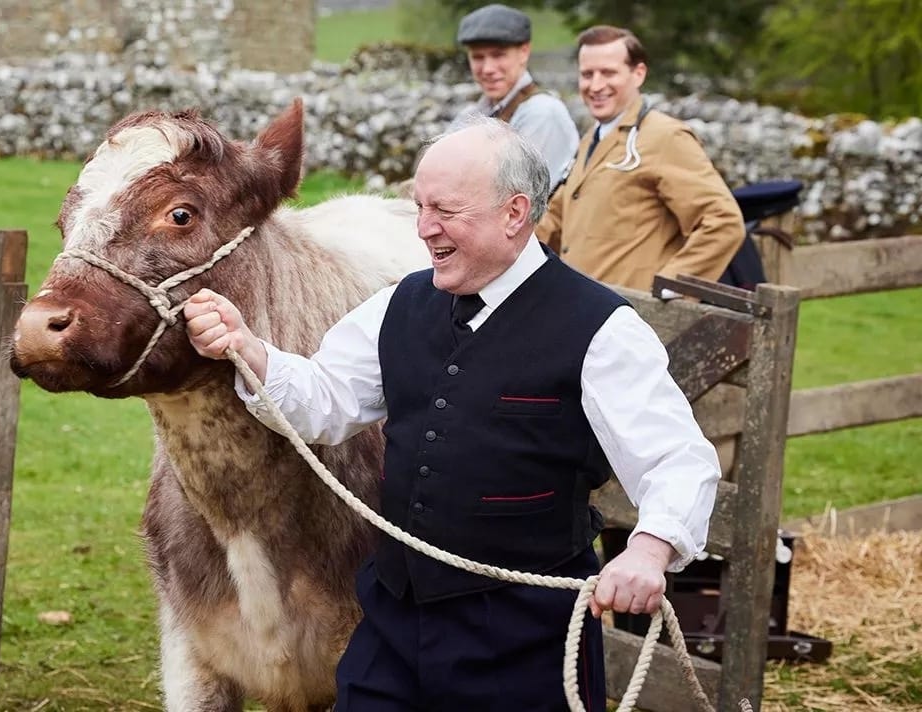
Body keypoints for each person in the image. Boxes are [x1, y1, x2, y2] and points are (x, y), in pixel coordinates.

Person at [184, 116, 720, 711]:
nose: (423, 228)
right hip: (393, 620)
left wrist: (649, 550)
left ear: (514, 213)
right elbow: (324, 400)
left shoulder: (602, 329)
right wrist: (250, 350)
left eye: (444, 210)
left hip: (526, 637)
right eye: (420, 206)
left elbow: (677, 458)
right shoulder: (401, 303)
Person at [538, 25, 745, 293]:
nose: (595, 85)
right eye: (587, 74)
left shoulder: (665, 137)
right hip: (580, 307)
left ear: (638, 73)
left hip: (630, 312)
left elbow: (723, 222)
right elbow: (556, 220)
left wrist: (667, 288)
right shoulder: (591, 138)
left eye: (608, 73)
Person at [450, 4, 579, 193]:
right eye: (478, 57)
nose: (487, 69)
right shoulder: (470, 115)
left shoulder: (542, 113)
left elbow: (514, 194)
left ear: (524, 52)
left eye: (498, 55)